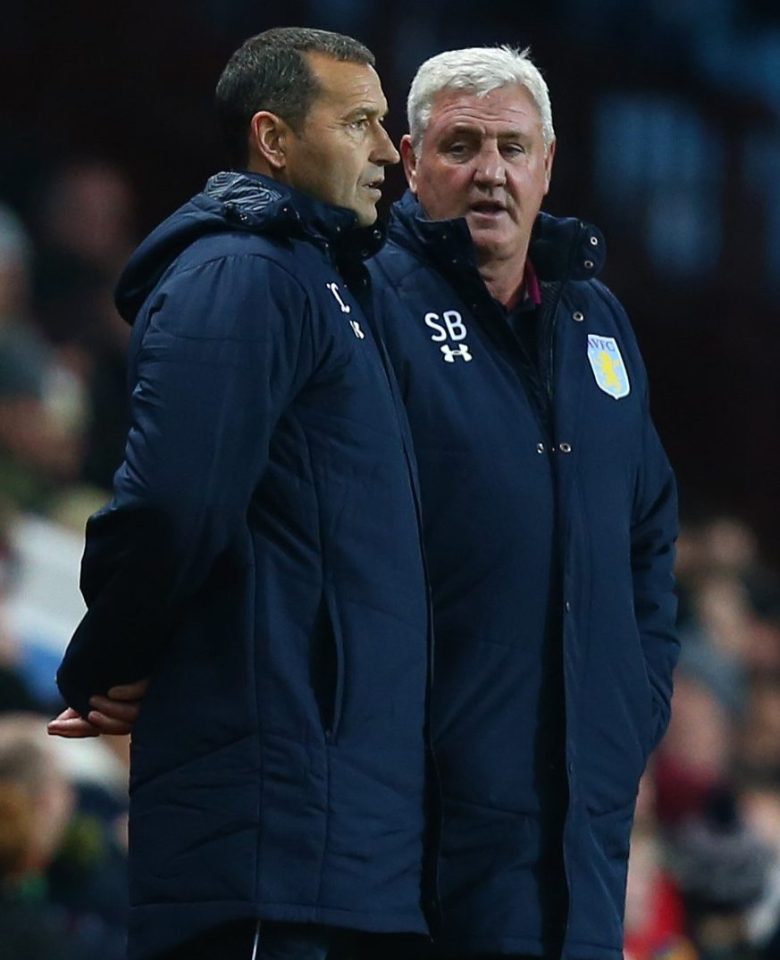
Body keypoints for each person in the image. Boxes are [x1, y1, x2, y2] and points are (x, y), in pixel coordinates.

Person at [48, 27, 433, 960]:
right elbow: (176, 502)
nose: (389, 151)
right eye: (362, 124)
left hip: (331, 833)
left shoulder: (324, 281)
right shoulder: (243, 274)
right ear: (274, 137)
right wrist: (110, 660)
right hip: (267, 825)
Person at [366, 46, 680, 959]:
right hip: (424, 811)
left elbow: (649, 531)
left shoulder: (596, 318)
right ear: (410, 159)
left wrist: (633, 701)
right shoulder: (368, 302)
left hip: (583, 809)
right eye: (461, 145)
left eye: (513, 147)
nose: (490, 172)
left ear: (548, 164)